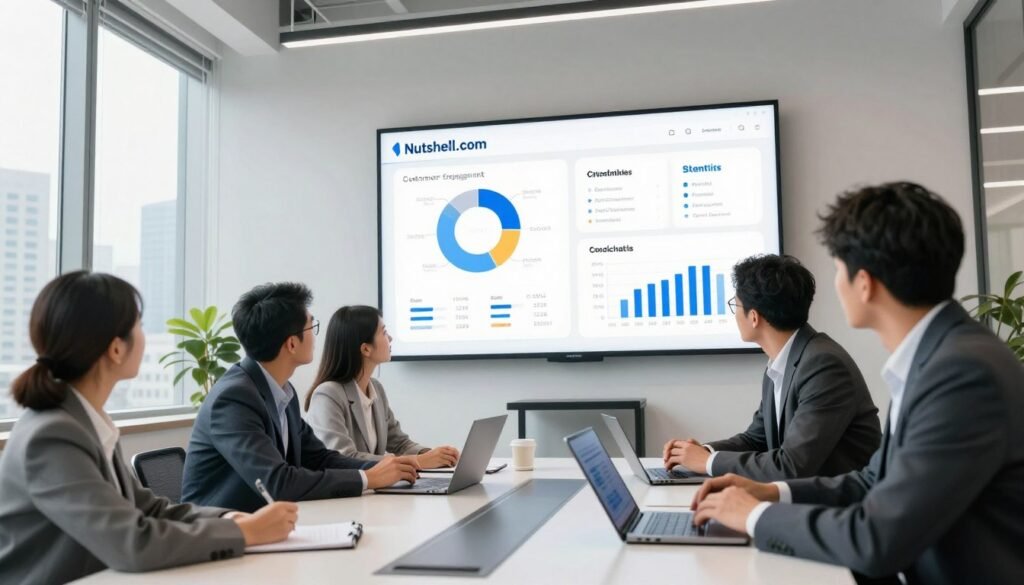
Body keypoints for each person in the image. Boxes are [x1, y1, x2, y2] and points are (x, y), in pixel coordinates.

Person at [691, 182, 1024, 585]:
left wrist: (753, 516)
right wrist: (771, 494)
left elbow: (878, 539)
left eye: (837, 269)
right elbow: (872, 481)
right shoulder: (940, 357)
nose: (834, 284)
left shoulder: (962, 374)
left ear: (864, 283)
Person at [0, 272, 297, 584]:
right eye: (139, 325)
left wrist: (227, 518)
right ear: (116, 349)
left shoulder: (85, 421)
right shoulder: (51, 436)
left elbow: (149, 508)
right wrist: (243, 532)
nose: (144, 335)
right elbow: (132, 543)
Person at [181, 283, 418, 513]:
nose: (316, 336)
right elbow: (278, 482)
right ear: (292, 344)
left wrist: (383, 468)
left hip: (269, 524)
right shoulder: (233, 399)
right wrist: (367, 478)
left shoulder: (283, 392)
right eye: (311, 327)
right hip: (224, 534)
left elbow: (319, 458)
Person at [662, 254, 881, 481]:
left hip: (844, 508)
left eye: (735, 305)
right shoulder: (782, 363)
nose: (735, 313)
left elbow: (791, 466)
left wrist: (707, 462)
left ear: (754, 317)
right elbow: (757, 439)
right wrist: (704, 453)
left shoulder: (823, 366)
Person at [305, 305, 459, 468]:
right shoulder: (328, 395)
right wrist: (418, 462)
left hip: (372, 490)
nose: (391, 338)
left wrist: (434, 455)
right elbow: (343, 457)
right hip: (343, 492)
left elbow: (400, 444)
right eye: (384, 332)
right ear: (366, 348)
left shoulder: (376, 389)